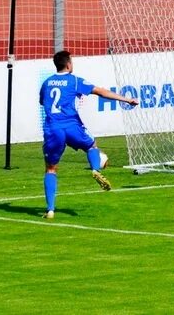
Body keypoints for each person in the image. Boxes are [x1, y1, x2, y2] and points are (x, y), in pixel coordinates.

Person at [39, 50, 139, 219]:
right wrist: (126, 100)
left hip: (53, 128)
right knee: (91, 146)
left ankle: (50, 210)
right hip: (72, 126)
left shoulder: (47, 83)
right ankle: (95, 169)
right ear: (69, 64)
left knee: (50, 169)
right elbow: (100, 92)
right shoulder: (75, 81)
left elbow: (43, 101)